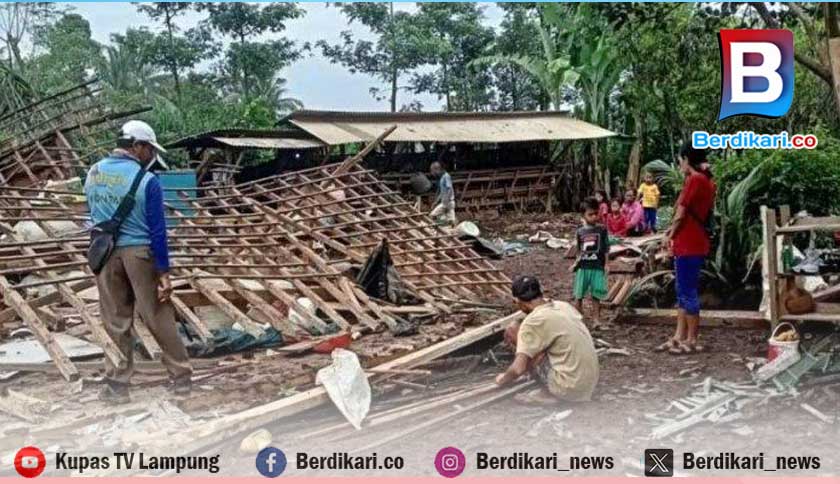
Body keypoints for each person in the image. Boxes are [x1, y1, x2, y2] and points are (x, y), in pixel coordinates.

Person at [85, 120, 192, 403]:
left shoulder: (93, 173)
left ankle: (117, 386)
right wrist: (164, 273)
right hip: (140, 253)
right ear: (137, 146)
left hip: (105, 253)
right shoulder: (147, 181)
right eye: (148, 149)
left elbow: (93, 215)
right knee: (157, 315)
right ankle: (180, 377)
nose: (150, 156)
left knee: (115, 320)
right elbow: (158, 231)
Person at [495, 275, 599, 404]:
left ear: (517, 301)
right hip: (589, 384)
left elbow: (518, 369)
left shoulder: (533, 321)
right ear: (540, 293)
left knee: (512, 330)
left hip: (570, 389)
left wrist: (503, 379)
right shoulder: (563, 306)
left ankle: (548, 393)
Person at [658, 143, 716, 354]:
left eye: (680, 160)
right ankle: (678, 335)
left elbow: (681, 213)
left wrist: (668, 235)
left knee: (687, 291)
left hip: (688, 243)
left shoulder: (695, 180)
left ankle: (691, 339)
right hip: (694, 242)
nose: (679, 164)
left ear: (685, 159)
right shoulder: (707, 180)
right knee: (682, 290)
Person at [572, 197, 610, 327]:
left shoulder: (602, 230)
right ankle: (578, 320)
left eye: (596, 213)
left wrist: (607, 264)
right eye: (590, 214)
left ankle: (596, 320)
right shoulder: (580, 232)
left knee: (596, 294)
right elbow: (578, 250)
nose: (594, 217)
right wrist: (575, 263)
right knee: (579, 294)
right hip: (583, 267)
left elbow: (606, 249)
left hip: (597, 266)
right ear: (583, 215)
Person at [429, 161, 456, 225]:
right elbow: (442, 192)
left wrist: (446, 199)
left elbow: (449, 189)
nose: (433, 173)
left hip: (447, 202)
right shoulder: (442, 178)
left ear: (438, 169)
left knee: (432, 215)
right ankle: (448, 227)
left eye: (433, 171)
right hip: (447, 202)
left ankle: (438, 226)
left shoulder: (446, 176)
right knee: (451, 220)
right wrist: (436, 202)